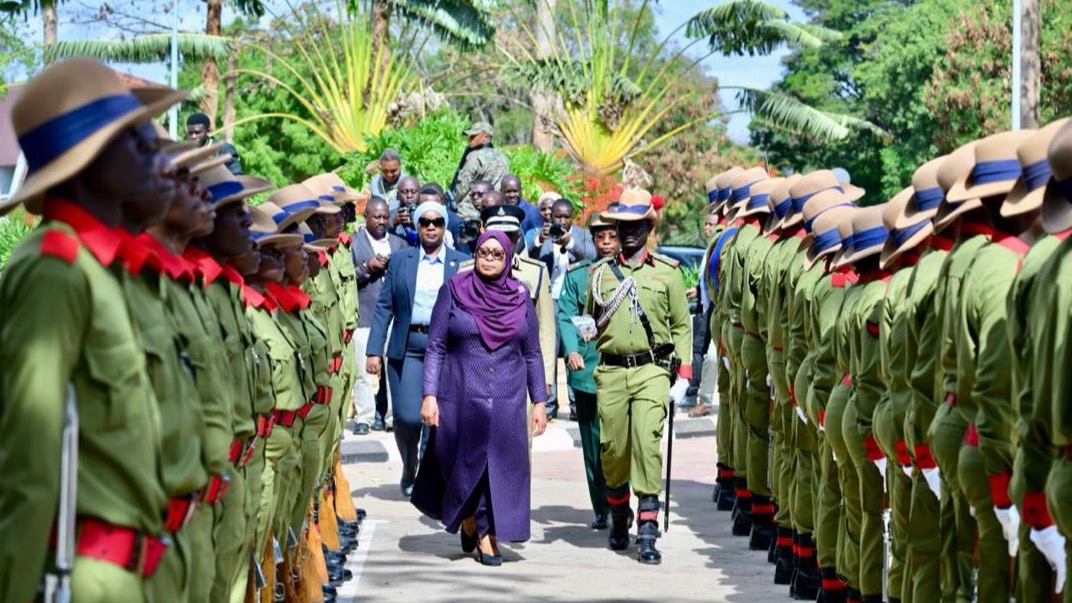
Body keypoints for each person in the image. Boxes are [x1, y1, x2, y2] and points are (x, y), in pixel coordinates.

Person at [0, 58, 186, 603]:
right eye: (132, 140)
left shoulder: (105, 268)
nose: (154, 154)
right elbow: (28, 467)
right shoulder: (55, 270)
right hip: (90, 578)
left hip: (141, 567)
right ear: (87, 158)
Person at [411, 230, 549, 566]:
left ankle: (488, 534)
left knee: (496, 467)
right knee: (457, 462)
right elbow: (436, 346)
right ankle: (469, 516)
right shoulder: (454, 291)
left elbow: (531, 352)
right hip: (459, 394)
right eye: (483, 252)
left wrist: (541, 401)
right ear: (474, 254)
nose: (488, 258)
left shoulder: (520, 295)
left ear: (507, 259)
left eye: (496, 254)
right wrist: (429, 395)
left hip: (507, 397)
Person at [586, 188, 692, 565]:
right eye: (622, 226)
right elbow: (591, 322)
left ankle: (647, 528)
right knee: (614, 450)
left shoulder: (668, 273)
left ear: (649, 226)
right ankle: (619, 512)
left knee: (647, 441)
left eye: (637, 225)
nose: (629, 232)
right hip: (612, 371)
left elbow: (681, 324)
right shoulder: (599, 274)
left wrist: (683, 374)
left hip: (651, 370)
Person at [366, 201, 469, 497]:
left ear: (445, 225)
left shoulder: (460, 263)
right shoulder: (401, 260)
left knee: (437, 418)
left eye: (437, 221)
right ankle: (410, 465)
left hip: (447, 350)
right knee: (408, 417)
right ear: (417, 226)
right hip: (408, 346)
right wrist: (374, 350)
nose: (431, 227)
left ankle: (427, 473)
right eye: (425, 222)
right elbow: (384, 306)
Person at [557, 212, 619, 529]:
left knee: (622, 442)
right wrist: (570, 349)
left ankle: (624, 500)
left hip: (625, 368)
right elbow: (566, 315)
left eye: (612, 236)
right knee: (593, 444)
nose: (606, 242)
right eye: (600, 237)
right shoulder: (579, 275)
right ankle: (601, 505)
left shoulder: (632, 274)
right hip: (589, 367)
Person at [530, 197, 597, 419]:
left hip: (573, 306)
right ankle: (549, 406)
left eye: (566, 217)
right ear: (550, 216)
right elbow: (527, 260)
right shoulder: (541, 235)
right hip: (548, 302)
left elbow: (592, 258)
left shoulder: (582, 236)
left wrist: (569, 244)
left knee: (573, 352)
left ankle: (577, 406)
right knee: (547, 353)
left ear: (572, 217)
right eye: (558, 216)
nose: (562, 220)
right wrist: (539, 241)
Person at [351, 196, 407, 435]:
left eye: (385, 216)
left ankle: (393, 417)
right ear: (366, 217)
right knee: (363, 372)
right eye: (377, 217)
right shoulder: (354, 243)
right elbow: (346, 279)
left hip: (394, 317)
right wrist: (368, 267)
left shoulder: (399, 243)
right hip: (365, 314)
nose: (382, 221)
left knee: (394, 368)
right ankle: (364, 417)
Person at [450, 122, 509, 220]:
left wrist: (452, 201)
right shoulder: (503, 157)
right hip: (496, 207)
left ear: (485, 137)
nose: (470, 140)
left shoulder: (475, 157)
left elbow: (461, 189)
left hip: (472, 210)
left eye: (473, 136)